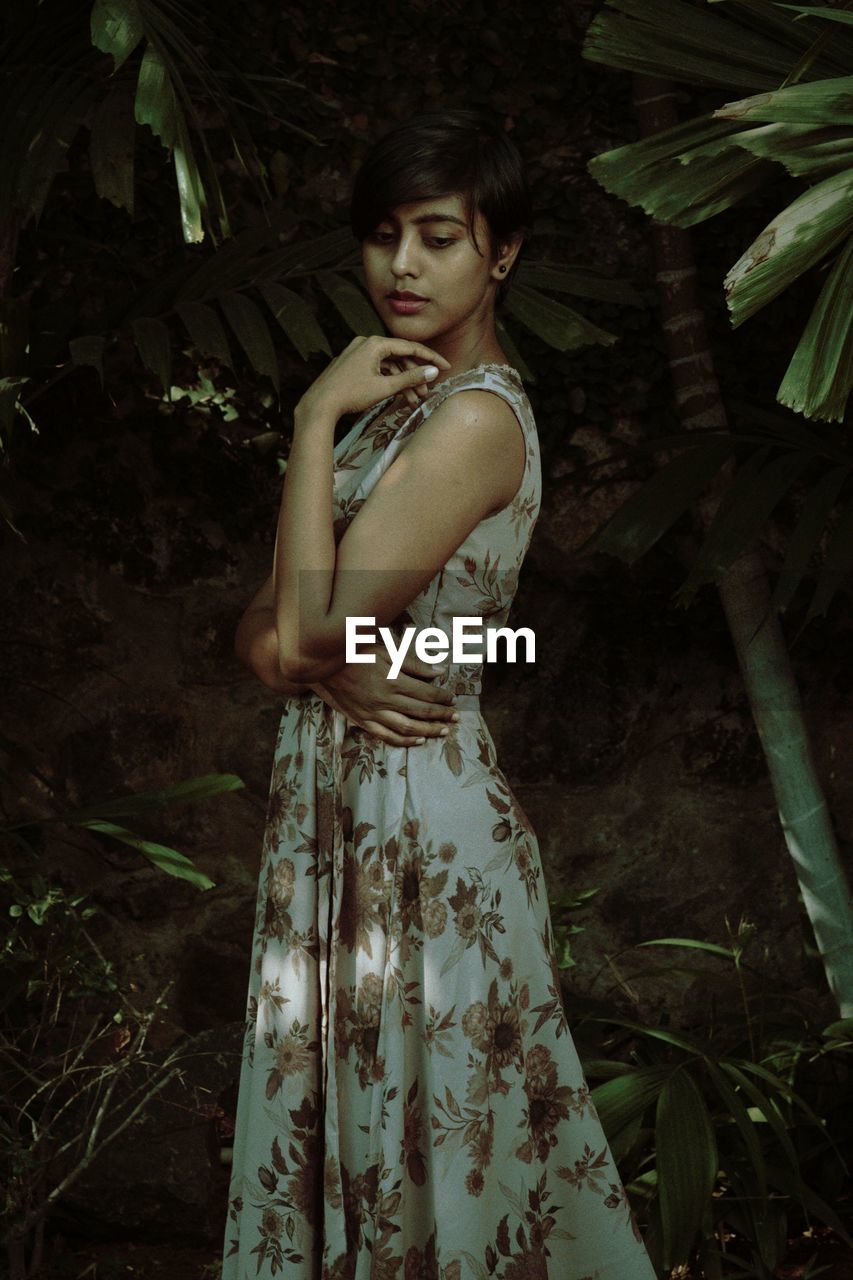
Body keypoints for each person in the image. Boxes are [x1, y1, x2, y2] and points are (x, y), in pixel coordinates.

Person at [222, 110, 657, 1280]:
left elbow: (302, 626)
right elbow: (259, 640)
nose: (401, 266)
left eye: (436, 236)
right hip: (333, 823)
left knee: (442, 1152)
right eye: (380, 236)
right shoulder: (395, 411)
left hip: (421, 826)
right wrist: (322, 648)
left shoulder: (470, 421)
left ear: (499, 252)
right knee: (359, 1138)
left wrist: (313, 417)